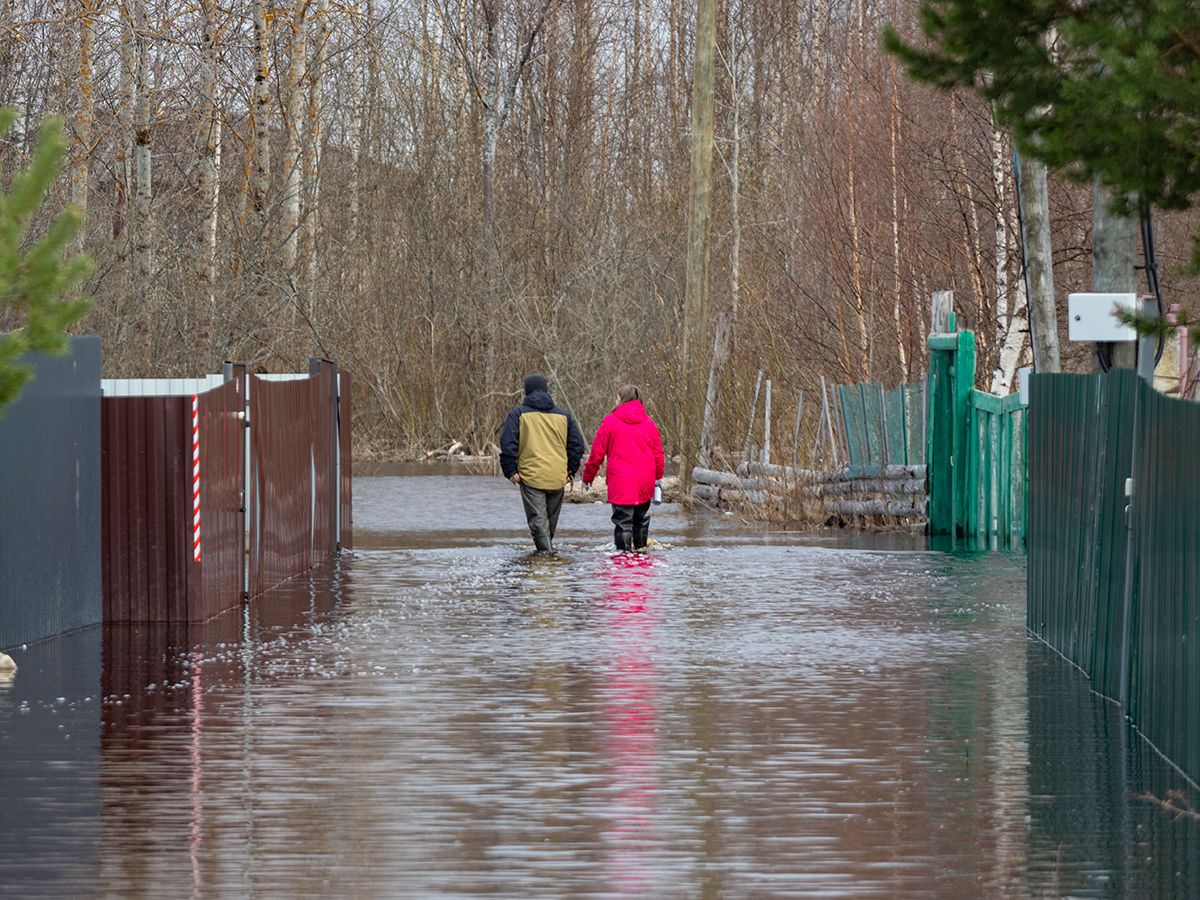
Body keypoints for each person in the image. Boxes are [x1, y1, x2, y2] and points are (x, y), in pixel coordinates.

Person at [499, 374, 585, 553]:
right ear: (547, 390)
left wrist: (511, 472)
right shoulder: (564, 415)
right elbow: (577, 446)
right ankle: (548, 559)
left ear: (526, 391)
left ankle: (546, 558)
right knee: (548, 524)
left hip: (531, 476)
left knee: (538, 523)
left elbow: (507, 445)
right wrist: (570, 471)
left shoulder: (518, 414)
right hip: (558, 476)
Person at [581, 384, 665, 552]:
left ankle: (623, 556)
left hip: (621, 480)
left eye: (617, 398)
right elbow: (658, 454)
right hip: (645, 480)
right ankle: (640, 554)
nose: (615, 401)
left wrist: (588, 477)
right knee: (640, 519)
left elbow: (597, 454)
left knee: (623, 521)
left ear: (621, 399)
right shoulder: (649, 423)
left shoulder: (610, 422)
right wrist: (658, 477)